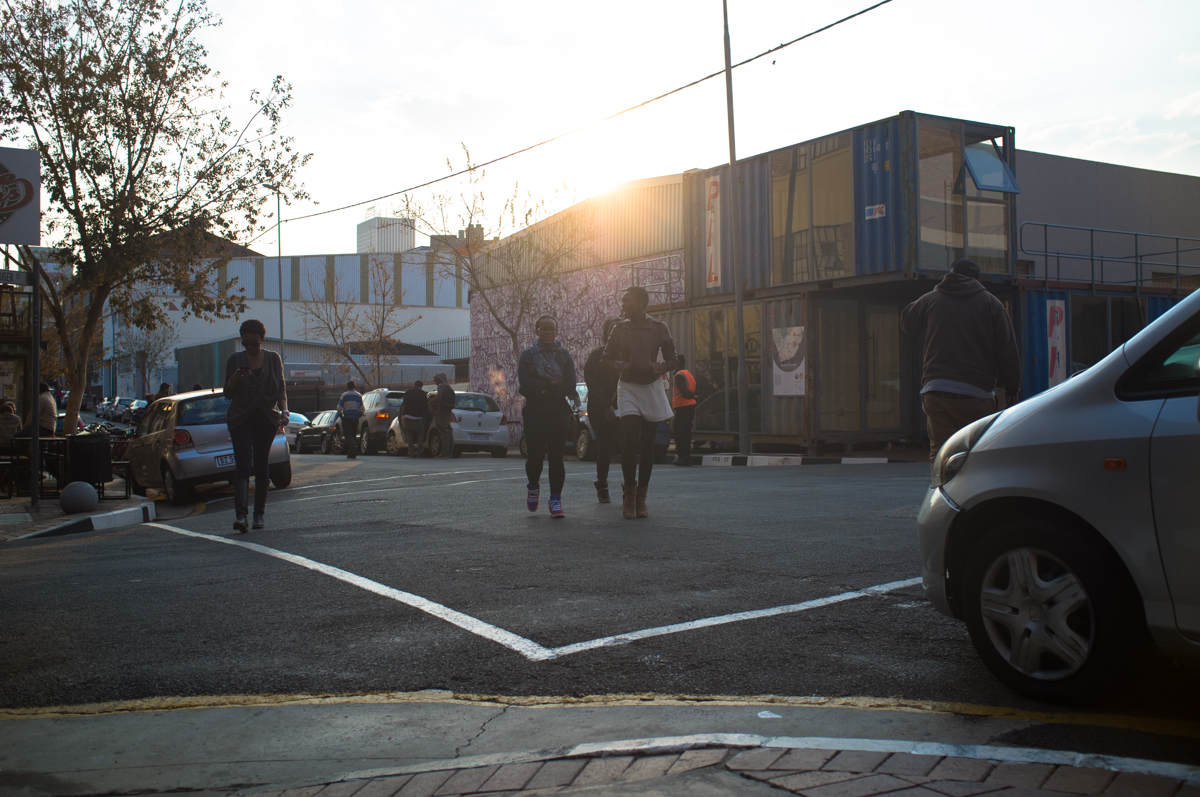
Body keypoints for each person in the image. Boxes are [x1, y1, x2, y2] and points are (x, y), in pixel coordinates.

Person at [901, 258, 1021, 463]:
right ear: (977, 279)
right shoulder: (992, 303)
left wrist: (933, 292)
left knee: (941, 454)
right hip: (976, 395)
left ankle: (943, 493)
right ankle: (974, 494)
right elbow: (1007, 352)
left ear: (949, 275)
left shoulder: (932, 298)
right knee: (976, 455)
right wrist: (1012, 390)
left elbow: (907, 323)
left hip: (936, 392)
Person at [601, 286, 679, 519]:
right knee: (630, 440)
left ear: (641, 304)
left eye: (626, 301)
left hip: (651, 388)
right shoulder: (619, 329)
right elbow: (605, 360)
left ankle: (642, 498)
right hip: (627, 387)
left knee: (648, 446)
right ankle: (630, 496)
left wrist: (653, 368)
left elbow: (673, 360)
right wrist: (627, 367)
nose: (621, 305)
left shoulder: (659, 328)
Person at [223, 319, 288, 533]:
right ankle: (241, 516)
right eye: (246, 343)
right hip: (241, 418)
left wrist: (284, 410)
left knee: (261, 465)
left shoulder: (272, 358)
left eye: (254, 343)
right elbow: (227, 394)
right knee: (243, 465)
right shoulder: (235, 360)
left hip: (266, 418)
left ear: (262, 339)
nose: (250, 347)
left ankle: (259, 514)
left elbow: (280, 387)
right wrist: (235, 378)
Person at [518, 315, 578, 518]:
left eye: (551, 329)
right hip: (535, 412)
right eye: (543, 328)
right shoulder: (527, 356)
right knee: (535, 455)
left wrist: (541, 385)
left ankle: (555, 500)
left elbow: (570, 385)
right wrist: (551, 383)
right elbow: (525, 386)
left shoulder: (564, 356)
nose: (548, 332)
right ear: (536, 331)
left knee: (556, 457)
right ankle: (533, 486)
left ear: (557, 331)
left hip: (558, 413)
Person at [583, 318, 622, 502]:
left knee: (626, 447)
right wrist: (606, 406)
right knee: (605, 446)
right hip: (600, 409)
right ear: (607, 333)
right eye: (614, 329)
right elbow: (593, 384)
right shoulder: (596, 356)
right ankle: (602, 485)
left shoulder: (627, 356)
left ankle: (629, 488)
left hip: (624, 408)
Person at [671, 354, 697, 466]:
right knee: (686, 433)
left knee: (679, 433)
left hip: (683, 408)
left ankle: (683, 458)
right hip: (689, 407)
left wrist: (691, 395)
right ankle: (686, 457)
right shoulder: (688, 374)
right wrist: (694, 396)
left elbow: (685, 392)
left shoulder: (679, 375)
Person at [400, 380, 429, 457]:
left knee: (409, 436)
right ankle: (420, 451)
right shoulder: (422, 393)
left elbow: (404, 403)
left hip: (407, 417)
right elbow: (425, 405)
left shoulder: (407, 392)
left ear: (414, 384)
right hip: (418, 417)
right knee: (420, 434)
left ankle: (411, 452)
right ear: (421, 386)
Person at [336, 380, 364, 459]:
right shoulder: (359, 396)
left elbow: (339, 407)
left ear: (347, 386)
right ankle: (351, 453)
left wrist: (340, 414)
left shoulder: (344, 395)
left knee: (348, 434)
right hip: (355, 418)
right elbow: (362, 409)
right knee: (353, 434)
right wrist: (359, 415)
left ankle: (353, 446)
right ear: (354, 386)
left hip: (347, 418)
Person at [431, 373, 456, 459]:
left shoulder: (441, 386)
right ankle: (450, 452)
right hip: (447, 411)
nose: (434, 382)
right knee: (448, 432)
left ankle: (444, 453)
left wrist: (431, 401)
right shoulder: (448, 386)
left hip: (441, 411)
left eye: (435, 380)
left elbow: (439, 397)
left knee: (443, 432)